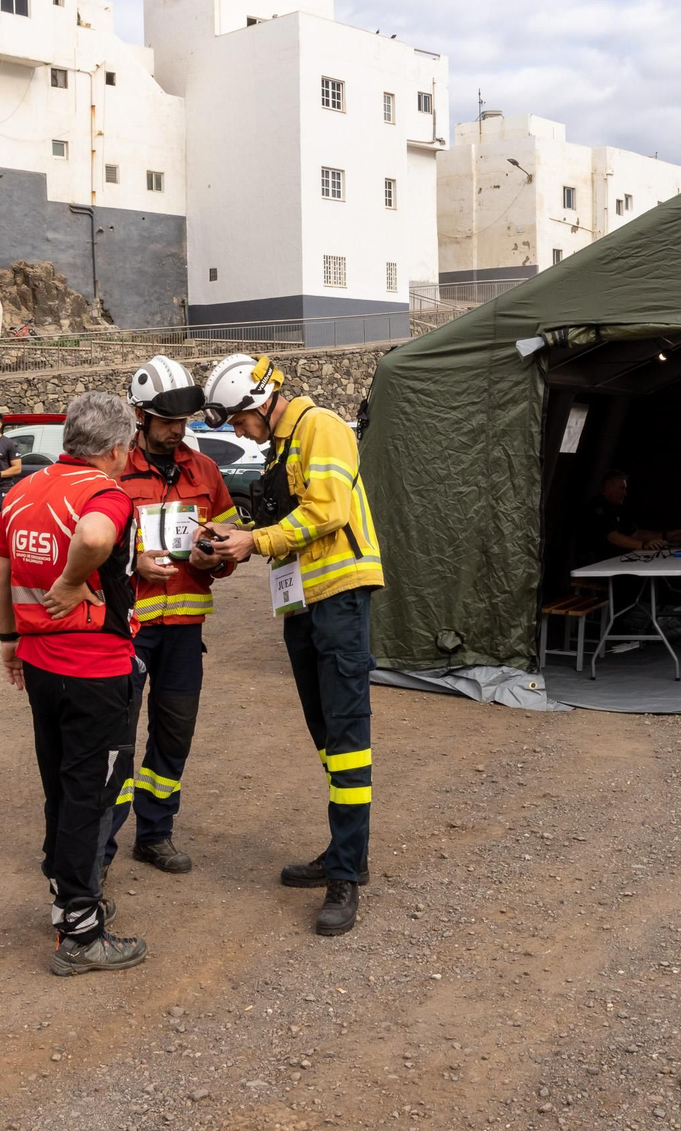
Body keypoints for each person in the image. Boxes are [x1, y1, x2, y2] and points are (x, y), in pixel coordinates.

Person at [202, 354, 382, 937]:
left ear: (260, 402)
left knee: (348, 737)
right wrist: (238, 536)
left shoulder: (321, 427)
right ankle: (342, 850)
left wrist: (255, 542)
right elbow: (286, 521)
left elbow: (327, 510)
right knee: (326, 733)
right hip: (305, 603)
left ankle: (346, 876)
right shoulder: (281, 446)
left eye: (236, 419)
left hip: (340, 598)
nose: (235, 431)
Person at [0, 391, 149, 976]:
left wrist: (10, 639)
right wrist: (76, 579)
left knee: (60, 785)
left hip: (42, 664)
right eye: (128, 447)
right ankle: (81, 930)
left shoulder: (24, 490)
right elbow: (97, 539)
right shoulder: (104, 493)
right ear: (115, 447)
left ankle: (65, 894)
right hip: (95, 669)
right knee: (91, 793)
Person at [104, 356, 238, 876]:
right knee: (117, 737)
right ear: (139, 415)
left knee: (174, 734)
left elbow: (228, 543)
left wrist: (215, 557)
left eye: (182, 422)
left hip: (184, 634)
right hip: (128, 632)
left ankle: (154, 835)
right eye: (165, 422)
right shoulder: (113, 471)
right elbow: (92, 547)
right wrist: (130, 561)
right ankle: (102, 847)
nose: (176, 431)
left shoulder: (204, 471)